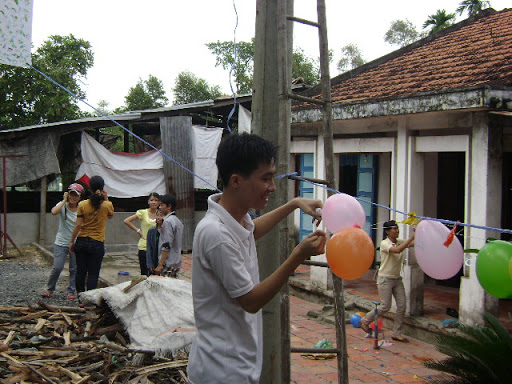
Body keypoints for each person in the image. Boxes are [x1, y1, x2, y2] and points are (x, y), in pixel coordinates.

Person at [187, 133, 326, 384]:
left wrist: (293, 204)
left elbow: (252, 231)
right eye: (266, 178)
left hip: (235, 361)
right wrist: (297, 256)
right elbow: (250, 301)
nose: (272, 187)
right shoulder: (216, 233)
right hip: (223, 370)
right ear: (237, 181)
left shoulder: (235, 220)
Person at [360, 219, 415, 342]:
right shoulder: (385, 243)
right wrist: (412, 237)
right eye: (394, 229)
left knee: (402, 306)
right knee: (385, 306)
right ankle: (365, 320)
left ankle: (397, 333)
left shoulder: (399, 242)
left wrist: (420, 234)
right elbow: (398, 250)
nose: (397, 231)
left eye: (397, 228)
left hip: (397, 279)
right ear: (387, 231)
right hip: (385, 279)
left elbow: (412, 244)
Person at [69, 175, 114, 295]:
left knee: (81, 272)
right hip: (97, 243)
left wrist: (71, 241)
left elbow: (78, 225)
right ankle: (90, 298)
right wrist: (106, 197)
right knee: (93, 273)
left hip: (82, 241)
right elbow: (110, 216)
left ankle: (80, 298)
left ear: (90, 187)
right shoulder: (107, 205)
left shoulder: (82, 204)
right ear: (102, 187)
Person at [41, 183, 84, 300]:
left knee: (74, 268)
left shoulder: (82, 208)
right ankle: (50, 289)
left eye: (76, 195)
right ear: (68, 194)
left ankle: (71, 291)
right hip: (61, 242)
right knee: (57, 267)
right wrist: (64, 200)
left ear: (80, 197)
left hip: (76, 242)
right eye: (71, 194)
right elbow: (54, 212)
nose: (73, 197)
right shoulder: (63, 206)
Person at [123, 192, 160, 276]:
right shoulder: (143, 213)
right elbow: (126, 221)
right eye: (151, 200)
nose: (153, 202)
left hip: (157, 247)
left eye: (156, 200)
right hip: (144, 246)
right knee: (144, 273)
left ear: (159, 202)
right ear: (148, 202)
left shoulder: (161, 214)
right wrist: (138, 230)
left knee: (156, 273)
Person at [154, 194, 183, 278]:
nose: (159, 207)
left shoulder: (168, 222)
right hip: (176, 261)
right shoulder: (177, 221)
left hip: (168, 263)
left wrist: (160, 264)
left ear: (169, 206)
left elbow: (167, 245)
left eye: (162, 205)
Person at [146, 208, 163, 275]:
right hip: (154, 259)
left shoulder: (168, 231)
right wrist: (149, 264)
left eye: (161, 215)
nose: (159, 217)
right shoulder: (151, 230)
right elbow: (149, 247)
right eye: (157, 215)